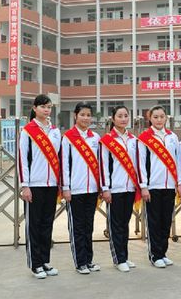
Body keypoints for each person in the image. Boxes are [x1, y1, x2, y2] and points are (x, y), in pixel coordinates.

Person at [19, 95, 62, 279]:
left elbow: (58, 158)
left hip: (51, 184)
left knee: (46, 224)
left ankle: (45, 261)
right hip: (34, 185)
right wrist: (25, 185)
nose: (47, 110)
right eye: (43, 107)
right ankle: (35, 264)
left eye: (49, 107)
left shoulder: (55, 131)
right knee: (33, 225)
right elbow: (23, 160)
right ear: (35, 108)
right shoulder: (27, 131)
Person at [137, 105, 181, 268]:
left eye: (161, 116)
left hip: (170, 185)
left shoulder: (172, 137)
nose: (159, 120)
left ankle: (163, 253)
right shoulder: (144, 138)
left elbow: (178, 161)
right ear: (150, 118)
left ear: (166, 118)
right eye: (155, 117)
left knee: (166, 221)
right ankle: (154, 254)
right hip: (153, 186)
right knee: (154, 221)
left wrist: (179, 182)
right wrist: (143, 186)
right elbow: (141, 163)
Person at [61, 102, 102, 274]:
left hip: (92, 189)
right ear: (75, 116)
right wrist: (66, 187)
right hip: (75, 190)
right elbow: (64, 164)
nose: (86, 118)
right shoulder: (68, 137)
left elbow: (100, 164)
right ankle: (80, 262)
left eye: (88, 115)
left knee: (89, 226)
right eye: (82, 114)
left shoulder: (95, 138)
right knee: (77, 227)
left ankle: (89, 260)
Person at [99, 106, 140, 273]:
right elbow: (103, 166)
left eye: (126, 116)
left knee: (125, 224)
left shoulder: (132, 139)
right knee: (115, 225)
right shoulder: (107, 140)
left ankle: (125, 255)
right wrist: (105, 188)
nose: (123, 119)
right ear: (113, 119)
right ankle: (118, 258)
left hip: (129, 187)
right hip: (114, 189)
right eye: (120, 116)